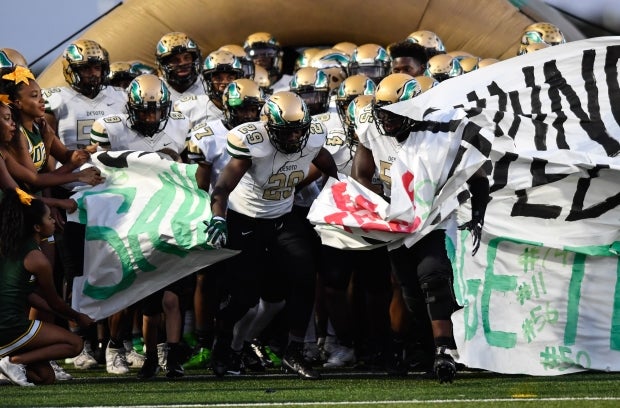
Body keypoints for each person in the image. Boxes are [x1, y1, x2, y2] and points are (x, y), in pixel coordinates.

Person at [351, 73, 489, 383]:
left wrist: (478, 212)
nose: (385, 119)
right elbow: (360, 174)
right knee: (410, 293)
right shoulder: (372, 128)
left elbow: (477, 174)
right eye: (382, 111)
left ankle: (444, 350)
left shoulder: (441, 128)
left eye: (393, 112)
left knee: (434, 276)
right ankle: (423, 348)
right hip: (394, 219)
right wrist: (379, 208)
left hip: (433, 215)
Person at [202, 91, 337, 380]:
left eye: (298, 131)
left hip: (283, 219)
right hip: (245, 221)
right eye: (285, 132)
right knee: (243, 298)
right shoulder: (253, 142)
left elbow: (327, 164)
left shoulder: (311, 137)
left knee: (303, 279)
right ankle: (223, 347)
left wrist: (340, 195)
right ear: (268, 125)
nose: (293, 138)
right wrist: (217, 216)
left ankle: (294, 353)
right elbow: (223, 187)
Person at [90, 73, 192, 379]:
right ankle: (122, 347)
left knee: (172, 295)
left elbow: (187, 169)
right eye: (145, 110)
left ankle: (168, 356)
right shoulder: (110, 126)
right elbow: (99, 171)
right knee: (137, 293)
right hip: (129, 216)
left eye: (156, 110)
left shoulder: (178, 122)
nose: (151, 116)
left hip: (168, 214)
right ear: (131, 108)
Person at [184, 78, 266, 371]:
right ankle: (206, 342)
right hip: (216, 213)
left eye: (252, 109)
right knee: (206, 279)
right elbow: (200, 185)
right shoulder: (207, 135)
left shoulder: (266, 132)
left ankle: (235, 342)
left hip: (255, 215)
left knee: (248, 286)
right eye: (241, 110)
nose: (247, 115)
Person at [0, 188, 95, 386]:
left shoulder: (11, 245)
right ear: (37, 227)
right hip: (9, 326)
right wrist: (77, 317)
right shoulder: (37, 259)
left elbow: (28, 296)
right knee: (74, 343)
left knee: (45, 377)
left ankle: (9, 362)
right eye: (49, 218)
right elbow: (55, 302)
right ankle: (13, 361)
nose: (53, 221)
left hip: (7, 324)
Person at [174, 49, 244, 127]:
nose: (225, 83)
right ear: (208, 80)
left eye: (230, 78)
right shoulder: (188, 107)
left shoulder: (248, 107)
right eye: (218, 78)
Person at [155, 32, 206, 101]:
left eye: (187, 57)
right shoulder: (155, 89)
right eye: (175, 60)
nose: (182, 63)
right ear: (163, 64)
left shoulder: (208, 86)